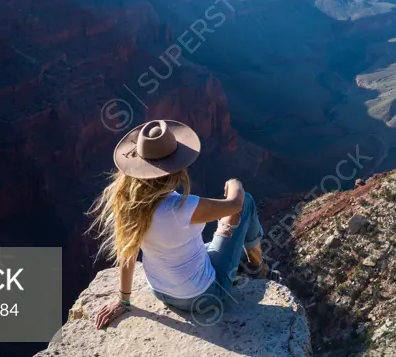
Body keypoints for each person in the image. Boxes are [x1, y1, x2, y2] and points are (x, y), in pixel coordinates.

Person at [89, 119, 264, 329]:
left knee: (208, 244)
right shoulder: (182, 207)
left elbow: (128, 253)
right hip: (205, 296)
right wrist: (235, 183)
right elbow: (235, 204)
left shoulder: (129, 205)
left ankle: (248, 263)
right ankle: (258, 267)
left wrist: (124, 299)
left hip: (161, 292)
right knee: (248, 202)